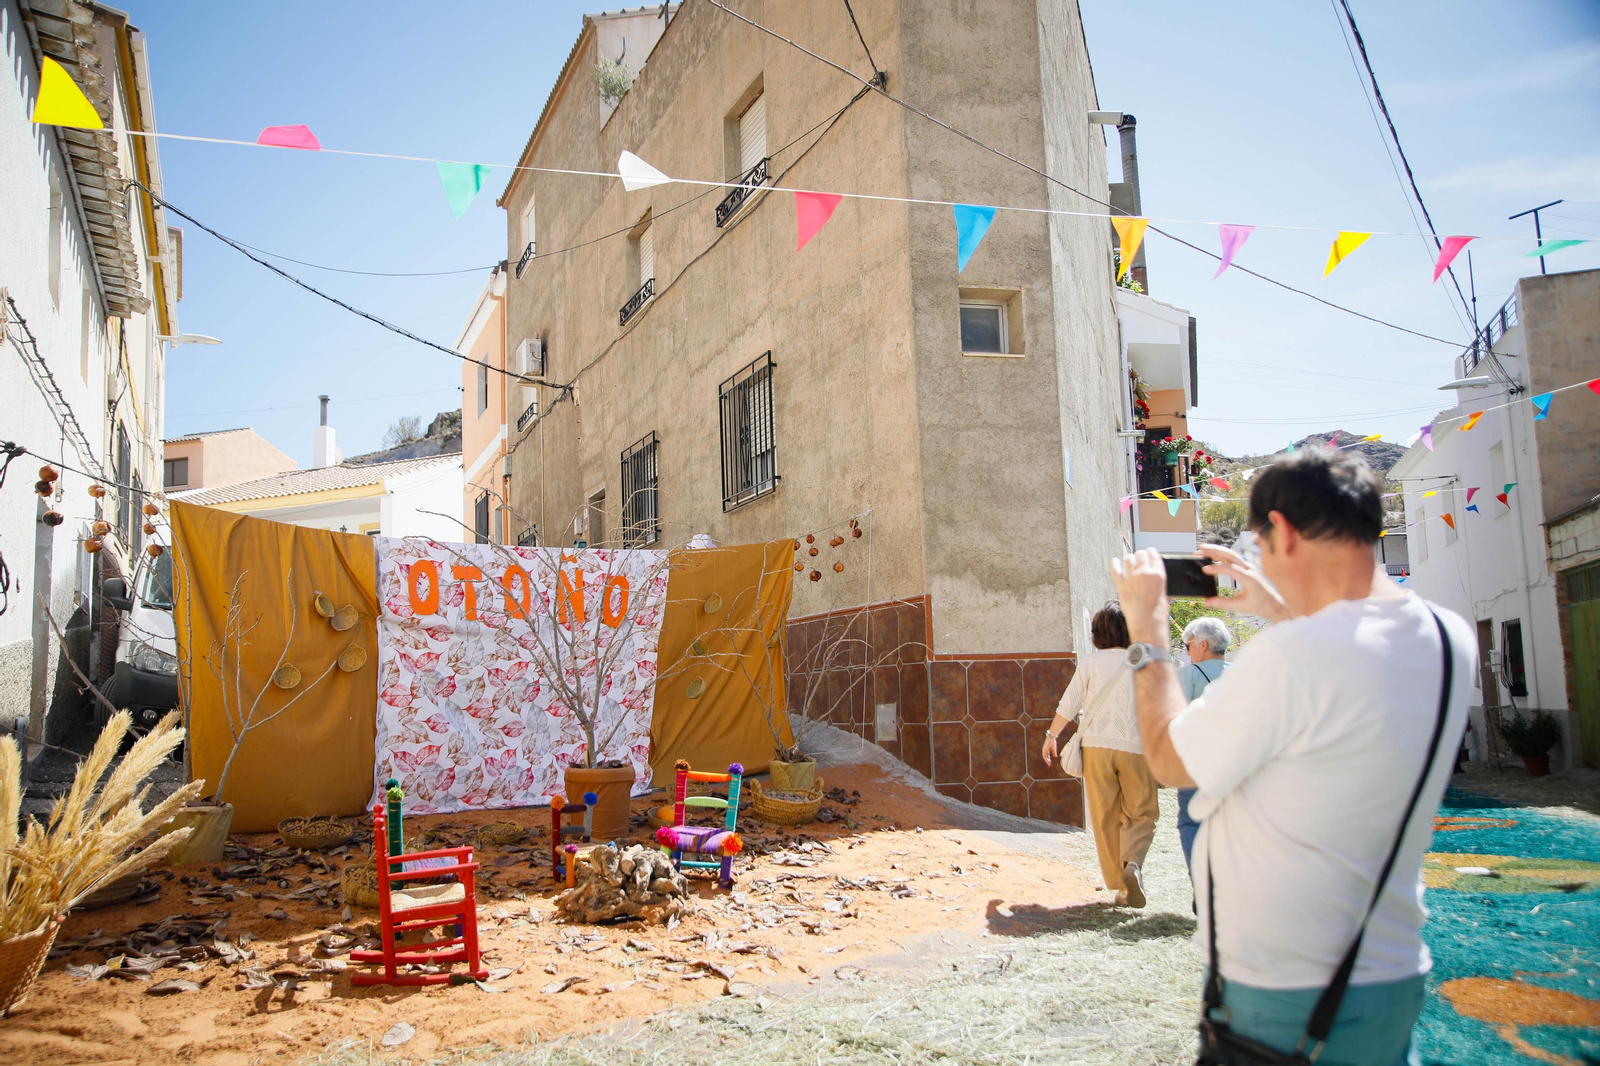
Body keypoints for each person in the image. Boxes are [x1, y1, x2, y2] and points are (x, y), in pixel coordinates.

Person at [1109, 448, 1471, 1065]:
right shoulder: (1447, 634)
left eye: (1261, 543)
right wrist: (1280, 610)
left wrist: (1148, 631)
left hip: (1284, 993)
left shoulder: (1294, 654)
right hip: (1390, 970)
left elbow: (1170, 761)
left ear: (1282, 530)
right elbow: (1354, 656)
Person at [1041, 603, 1157, 909]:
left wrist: (1052, 737)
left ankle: (1120, 887)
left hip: (1095, 748)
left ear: (1096, 634)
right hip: (1135, 746)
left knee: (1105, 817)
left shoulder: (1091, 663)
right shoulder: (1142, 661)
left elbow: (1069, 702)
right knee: (1141, 812)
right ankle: (1133, 864)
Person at [1174, 616, 1232, 874]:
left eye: (1188, 646)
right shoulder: (1241, 674)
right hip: (1234, 764)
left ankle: (1203, 884)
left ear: (1203, 645)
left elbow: (1177, 718)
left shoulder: (1188, 675)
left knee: (1191, 823)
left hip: (1197, 764)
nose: (1187, 652)